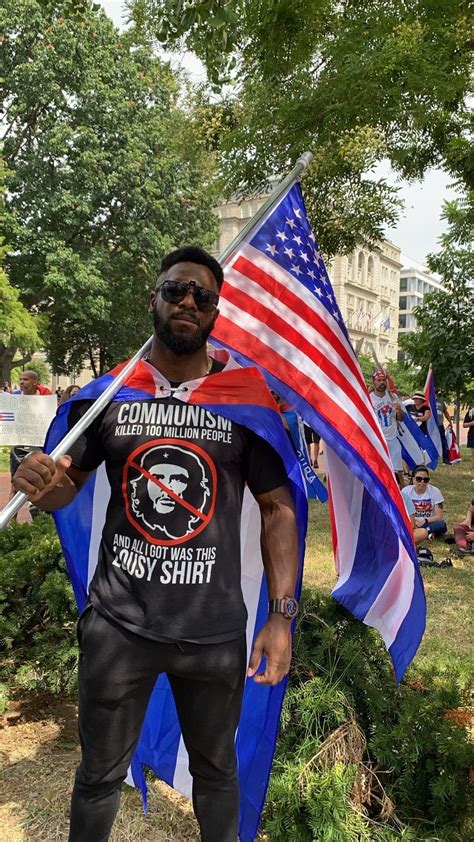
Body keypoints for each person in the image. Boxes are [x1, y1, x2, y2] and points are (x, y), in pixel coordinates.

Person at [11, 245, 299, 842]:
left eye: (202, 296)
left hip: (215, 632)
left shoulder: (247, 402)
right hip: (119, 626)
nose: (188, 301)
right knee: (98, 775)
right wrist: (42, 485)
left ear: (216, 312)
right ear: (155, 299)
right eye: (176, 290)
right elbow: (68, 490)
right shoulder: (112, 396)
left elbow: (278, 509)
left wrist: (282, 615)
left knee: (217, 773)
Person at [9, 370, 53, 519]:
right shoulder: (14, 398)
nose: (21, 382)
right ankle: (12, 522)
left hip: (38, 447)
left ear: (35, 382)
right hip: (19, 445)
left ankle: (39, 520)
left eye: (25, 379)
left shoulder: (46, 397)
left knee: (38, 483)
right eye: (20, 379)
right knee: (14, 484)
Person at [369, 370, 405, 487]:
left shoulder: (393, 397)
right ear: (373, 382)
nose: (382, 383)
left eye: (384, 380)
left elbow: (401, 419)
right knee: (377, 467)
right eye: (379, 380)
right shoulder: (369, 399)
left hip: (392, 438)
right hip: (377, 439)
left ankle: (401, 492)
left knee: (398, 468)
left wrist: (399, 410)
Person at [401, 466, 447, 538]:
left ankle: (424, 533)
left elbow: (439, 516)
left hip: (428, 522)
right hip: (411, 521)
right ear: (413, 479)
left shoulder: (435, 491)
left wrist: (425, 521)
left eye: (425, 479)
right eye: (419, 479)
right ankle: (428, 534)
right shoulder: (405, 491)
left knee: (441, 525)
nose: (422, 482)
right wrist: (414, 521)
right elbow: (402, 512)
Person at [434, 388, 452, 464]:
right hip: (431, 426)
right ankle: (433, 459)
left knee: (443, 442)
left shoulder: (441, 400)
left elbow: (445, 411)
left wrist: (450, 421)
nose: (435, 393)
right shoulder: (427, 400)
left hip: (440, 425)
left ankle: (446, 459)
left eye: (436, 392)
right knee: (432, 442)